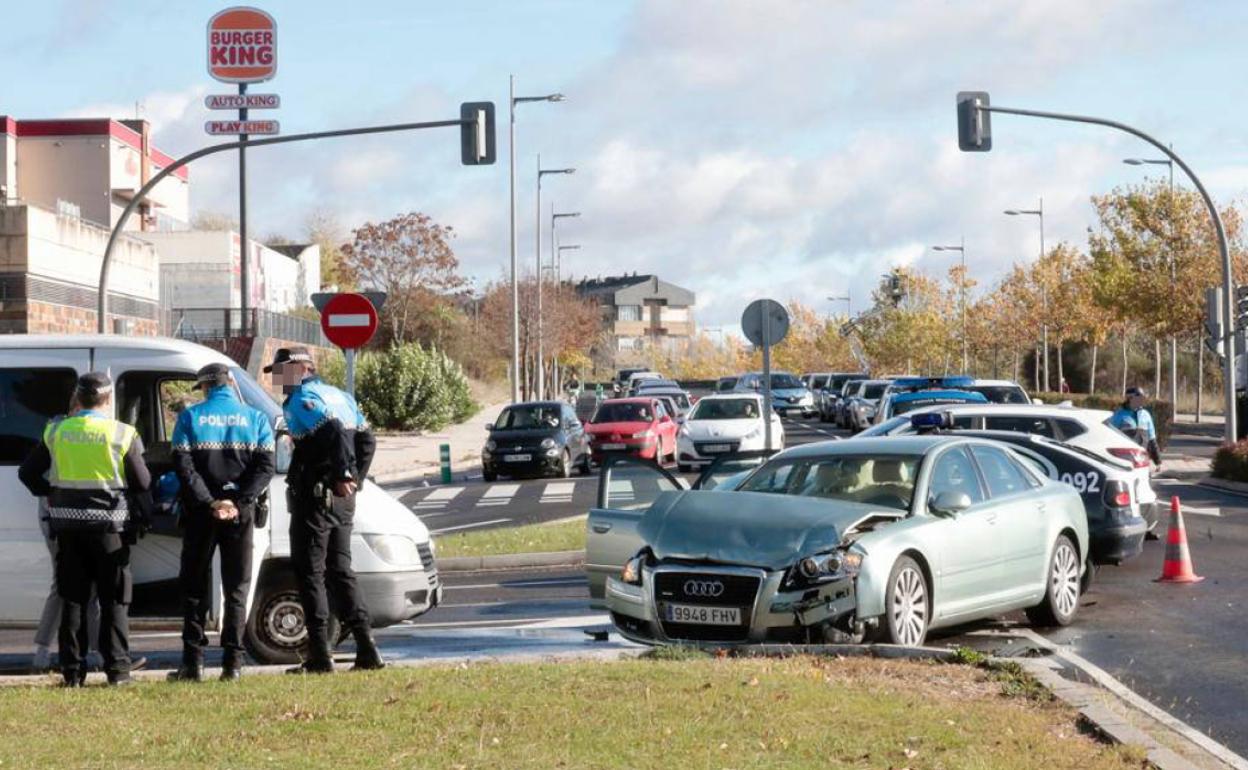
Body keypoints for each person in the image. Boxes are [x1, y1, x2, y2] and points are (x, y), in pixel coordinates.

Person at [18, 373, 151, 687]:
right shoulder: (122, 433)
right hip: (109, 531)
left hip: (68, 530)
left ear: (78, 398)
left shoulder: (56, 431)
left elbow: (27, 473)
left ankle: (72, 673)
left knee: (74, 600)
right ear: (107, 400)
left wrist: (49, 492)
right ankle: (118, 672)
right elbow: (143, 482)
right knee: (114, 600)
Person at [265, 347, 383, 674]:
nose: (277, 379)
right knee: (341, 571)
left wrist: (341, 474)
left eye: (281, 371)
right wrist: (354, 478)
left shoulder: (301, 399)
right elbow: (367, 440)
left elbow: (331, 431)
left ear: (302, 369)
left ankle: (320, 653)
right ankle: (367, 646)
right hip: (342, 501)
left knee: (311, 573)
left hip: (315, 497)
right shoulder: (340, 395)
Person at [167, 364, 276, 682]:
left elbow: (183, 467)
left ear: (204, 388)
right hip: (238, 515)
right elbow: (265, 468)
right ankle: (233, 665)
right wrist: (237, 501)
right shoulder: (255, 419)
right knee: (237, 588)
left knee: (194, 587)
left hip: (201, 514)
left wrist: (210, 501)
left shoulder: (190, 418)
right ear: (230, 383)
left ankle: (194, 663)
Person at [1110, 386, 1162, 468]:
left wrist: (1158, 462)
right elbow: (1111, 437)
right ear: (1129, 399)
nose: (1142, 400)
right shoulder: (1119, 415)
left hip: (1142, 459)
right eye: (1139, 398)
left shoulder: (1146, 415)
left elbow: (1152, 440)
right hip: (1125, 460)